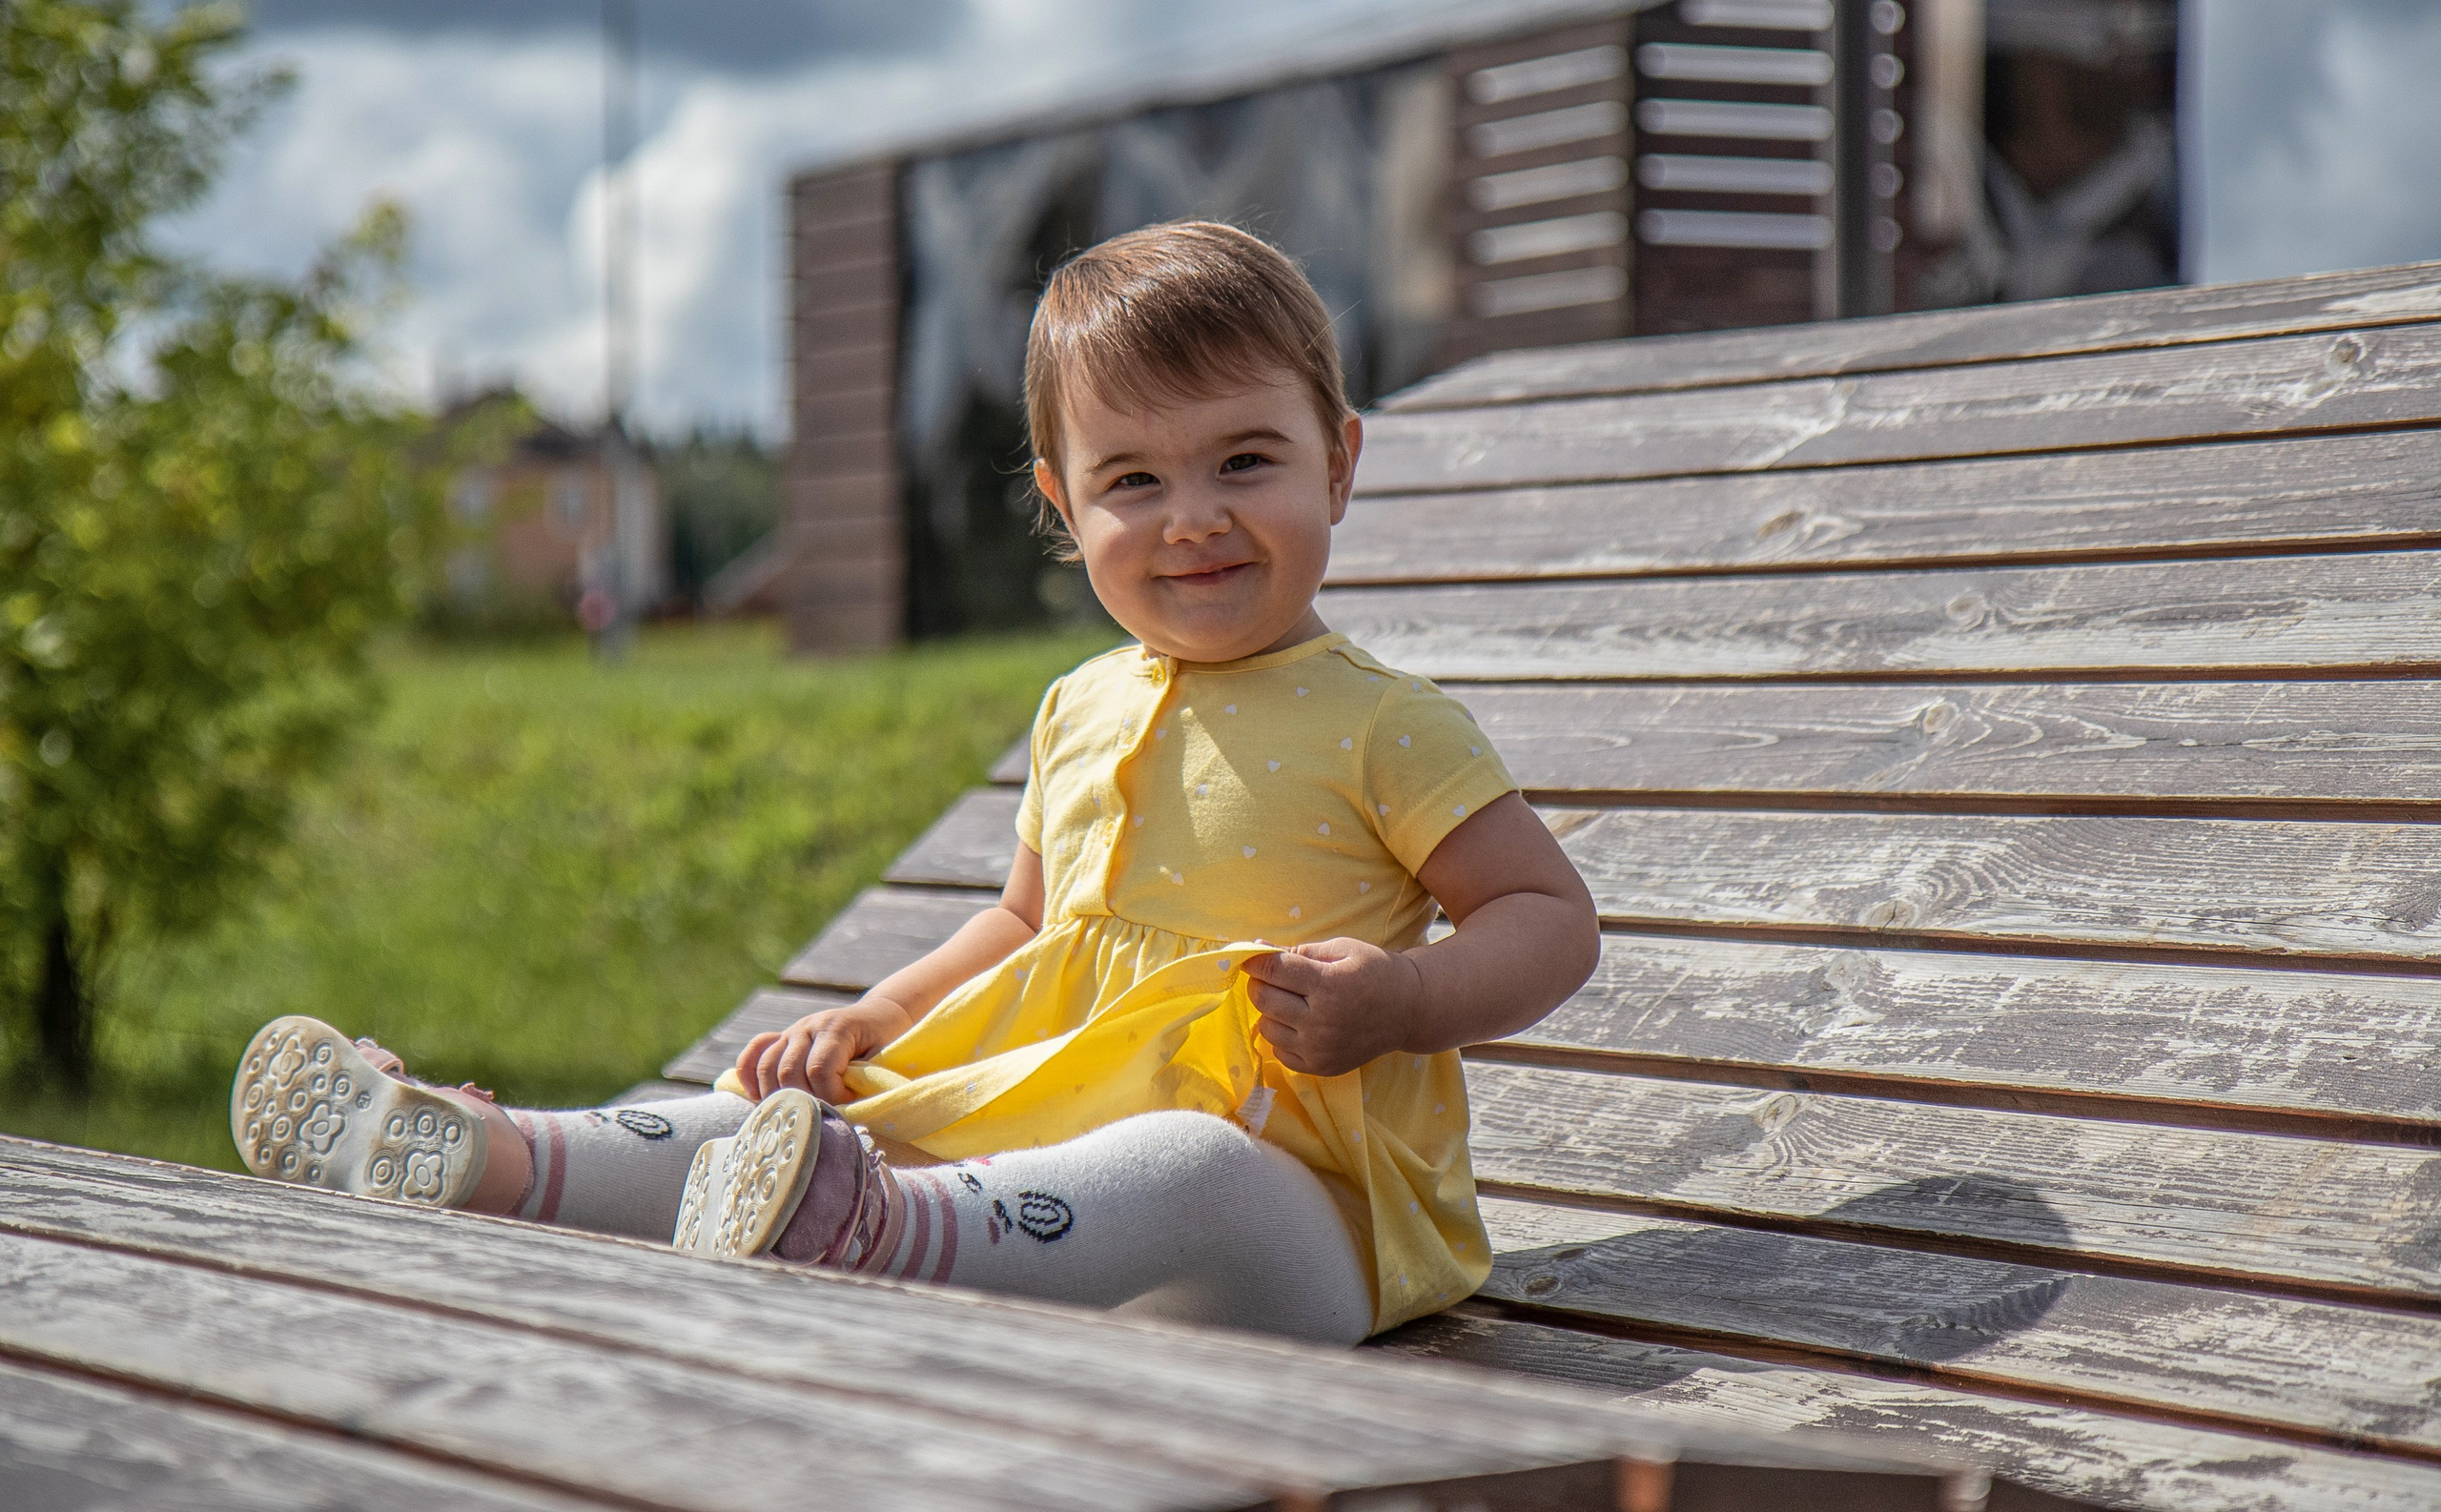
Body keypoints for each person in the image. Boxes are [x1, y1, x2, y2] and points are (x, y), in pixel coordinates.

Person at [231, 221, 1600, 1345]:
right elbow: (1021, 922)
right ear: (1066, 511)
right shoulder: (1080, 706)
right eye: (1135, 480)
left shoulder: (1384, 725)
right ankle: (491, 1159)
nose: (1192, 515)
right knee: (783, 1115)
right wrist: (875, 1019)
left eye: (1246, 460)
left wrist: (1403, 999)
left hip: (1307, 1214)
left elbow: (1549, 918)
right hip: (1032, 1146)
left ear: (1339, 462)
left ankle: (875, 1237)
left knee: (1193, 1170)